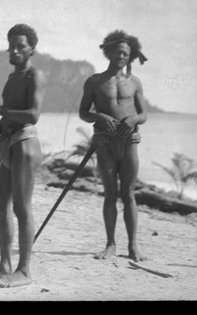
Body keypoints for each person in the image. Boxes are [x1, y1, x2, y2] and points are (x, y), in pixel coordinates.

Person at [0, 24, 46, 288]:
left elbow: (33, 115)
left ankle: (24, 271)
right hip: (7, 144)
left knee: (21, 208)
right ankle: (4, 265)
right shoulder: (11, 77)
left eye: (21, 46)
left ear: (32, 49)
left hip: (26, 145)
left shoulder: (34, 76)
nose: (14, 50)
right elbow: (6, 115)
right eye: (11, 45)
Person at [79, 29, 148, 262]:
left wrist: (133, 119)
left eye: (126, 54)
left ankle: (133, 246)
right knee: (110, 193)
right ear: (108, 53)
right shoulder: (95, 81)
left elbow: (143, 113)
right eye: (118, 52)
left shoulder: (135, 82)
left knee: (128, 193)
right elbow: (83, 112)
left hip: (129, 141)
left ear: (130, 56)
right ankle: (110, 244)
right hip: (105, 142)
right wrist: (100, 117)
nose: (121, 57)